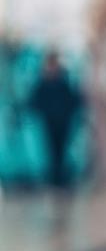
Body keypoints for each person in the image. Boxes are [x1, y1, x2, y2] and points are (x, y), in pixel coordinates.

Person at [29, 51, 83, 189]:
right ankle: (55, 178)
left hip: (63, 122)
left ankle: (60, 177)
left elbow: (74, 99)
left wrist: (68, 113)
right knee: (52, 150)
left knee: (61, 149)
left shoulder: (64, 80)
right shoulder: (43, 80)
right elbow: (34, 101)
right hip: (49, 122)